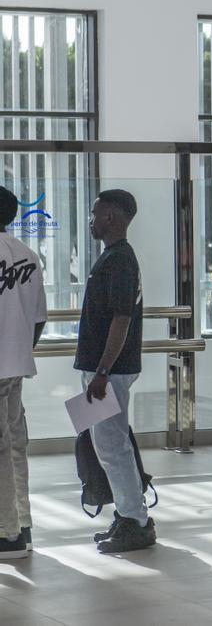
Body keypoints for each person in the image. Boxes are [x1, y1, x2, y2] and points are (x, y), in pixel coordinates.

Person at [75, 189, 155, 553]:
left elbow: (122, 319)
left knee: (112, 445)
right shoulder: (113, 256)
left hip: (108, 371)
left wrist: (103, 371)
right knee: (106, 444)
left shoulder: (120, 259)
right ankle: (128, 515)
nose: (91, 220)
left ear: (111, 216)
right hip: (101, 369)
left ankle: (135, 521)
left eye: (95, 214)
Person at [0, 186, 46, 560]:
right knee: (14, 444)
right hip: (15, 365)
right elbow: (38, 318)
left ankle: (7, 533)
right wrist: (20, 350)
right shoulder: (28, 255)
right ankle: (23, 524)